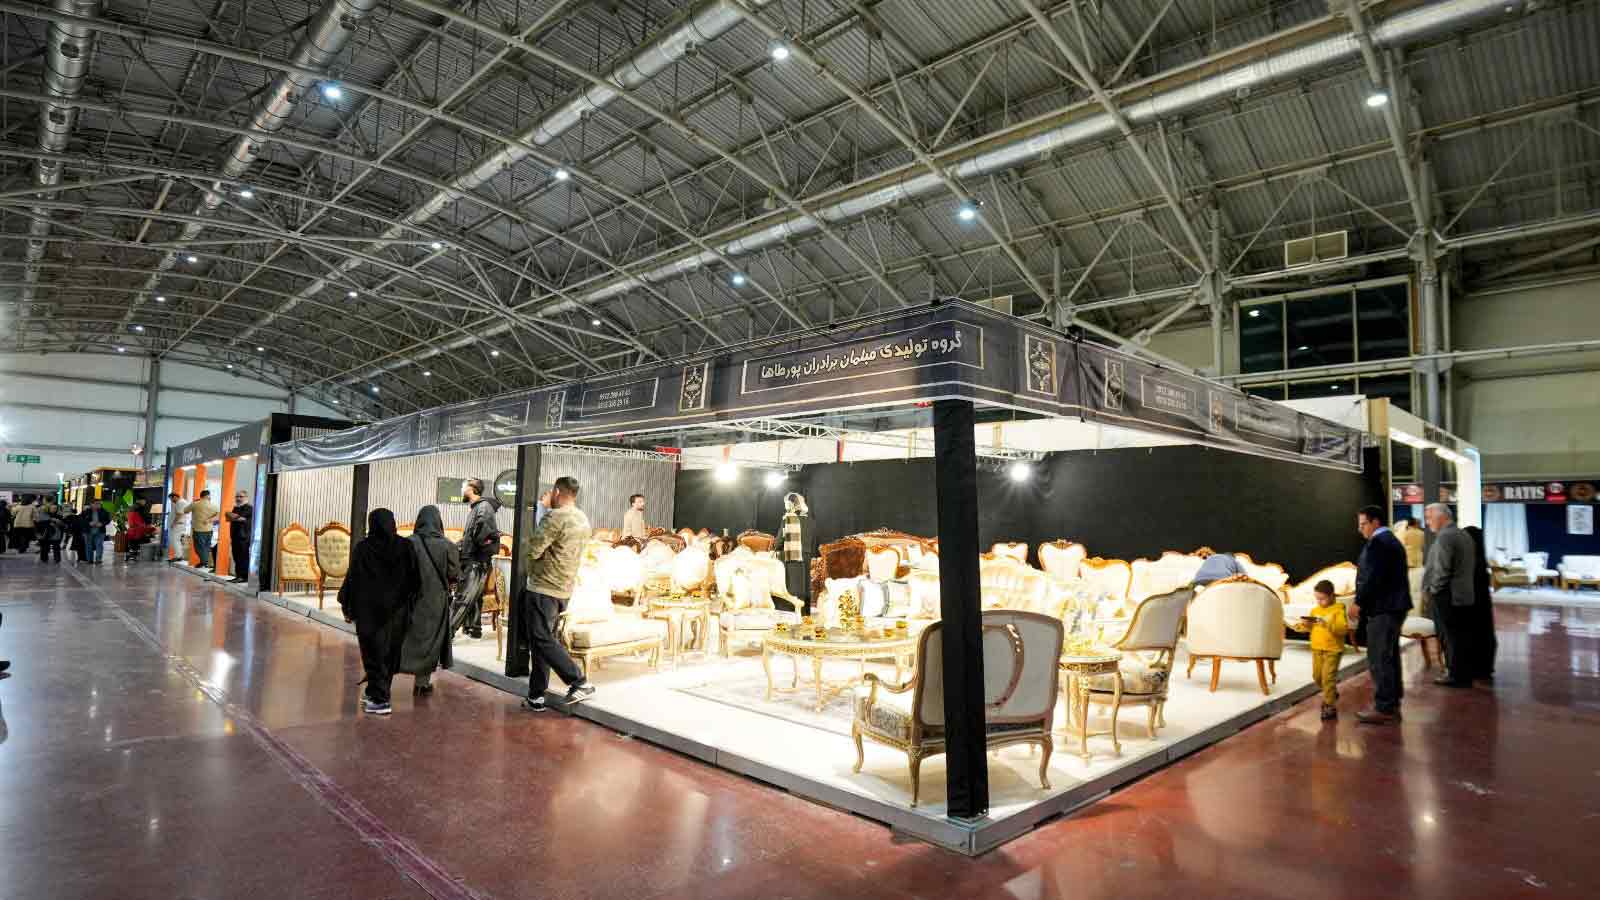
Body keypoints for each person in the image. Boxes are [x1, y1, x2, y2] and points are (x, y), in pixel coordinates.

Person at [521, 476, 594, 712]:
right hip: (564, 589)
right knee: (543, 641)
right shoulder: (582, 518)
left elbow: (533, 549)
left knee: (541, 638)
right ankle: (536, 695)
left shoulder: (555, 517)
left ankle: (579, 681)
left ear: (557, 492)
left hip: (543, 587)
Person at [337, 509, 420, 716]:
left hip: (370, 613)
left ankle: (381, 700)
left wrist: (347, 607)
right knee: (390, 655)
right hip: (398, 613)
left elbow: (353, 580)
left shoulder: (364, 548)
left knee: (373, 655)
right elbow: (416, 581)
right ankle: (377, 692)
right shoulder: (406, 546)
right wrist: (408, 605)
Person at [1353, 505, 1409, 725]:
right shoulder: (1391, 541)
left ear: (1375, 522)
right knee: (1389, 656)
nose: (1360, 529)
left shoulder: (1379, 543)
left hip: (1384, 608)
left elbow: (1372, 577)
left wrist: (1358, 602)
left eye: (1363, 524)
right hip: (1392, 607)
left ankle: (1385, 707)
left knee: (1379, 658)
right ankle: (1391, 703)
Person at [402, 505, 460, 695]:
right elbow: (454, 574)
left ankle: (391, 674)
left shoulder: (408, 543)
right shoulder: (448, 546)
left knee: (407, 637)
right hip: (436, 601)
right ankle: (422, 683)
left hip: (410, 600)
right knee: (431, 641)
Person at [1423, 502, 1477, 688]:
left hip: (1448, 596)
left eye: (1429, 517)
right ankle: (1462, 674)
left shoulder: (1445, 537)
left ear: (1442, 516)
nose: (1427, 521)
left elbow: (1442, 570)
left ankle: (1455, 675)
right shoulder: (1463, 535)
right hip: (1462, 596)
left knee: (1450, 637)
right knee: (1460, 637)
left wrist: (1433, 590)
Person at [452, 478, 502, 640]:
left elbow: (482, 535)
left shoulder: (483, 507)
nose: (461, 489)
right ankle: (473, 629)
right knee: (473, 595)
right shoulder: (477, 508)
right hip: (473, 559)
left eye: (464, 485)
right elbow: (472, 536)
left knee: (464, 597)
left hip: (477, 560)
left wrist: (471, 550)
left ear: (472, 488)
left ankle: (446, 633)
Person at [1291, 579, 1348, 720]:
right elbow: (1311, 627)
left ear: (1331, 596)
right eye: (1317, 598)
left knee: (1328, 678)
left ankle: (1329, 706)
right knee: (1317, 677)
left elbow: (1342, 629)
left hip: (1333, 650)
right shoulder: (1315, 610)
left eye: (1322, 599)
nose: (1319, 602)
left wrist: (1326, 623)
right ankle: (1331, 692)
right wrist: (1303, 625)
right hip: (1317, 648)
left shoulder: (1338, 610)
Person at [1464, 525, 1497, 683]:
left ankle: (1475, 668)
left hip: (1472, 606)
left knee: (1474, 635)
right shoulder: (1481, 561)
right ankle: (1484, 668)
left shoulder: (1471, 562)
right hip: (1482, 607)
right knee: (1485, 634)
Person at [224, 491, 254, 583]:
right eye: (237, 496)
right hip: (235, 536)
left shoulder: (249, 508)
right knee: (236, 557)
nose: (238, 498)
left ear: (246, 497)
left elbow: (240, 518)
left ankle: (243, 577)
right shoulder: (236, 508)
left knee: (243, 557)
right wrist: (233, 516)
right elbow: (229, 518)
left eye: (241, 496)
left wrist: (233, 516)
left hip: (243, 537)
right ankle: (238, 576)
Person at [189, 490, 218, 570]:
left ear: (201, 496)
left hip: (199, 530)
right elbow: (218, 516)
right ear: (208, 496)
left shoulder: (195, 504)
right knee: (206, 547)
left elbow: (185, 510)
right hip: (209, 529)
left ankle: (204, 562)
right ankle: (204, 562)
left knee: (198, 547)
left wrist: (193, 503)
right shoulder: (213, 505)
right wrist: (209, 520)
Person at [82, 499, 112, 565]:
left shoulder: (104, 511)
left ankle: (98, 559)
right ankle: (89, 560)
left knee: (99, 545)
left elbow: (108, 520)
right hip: (88, 531)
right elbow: (81, 520)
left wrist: (102, 523)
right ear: (91, 504)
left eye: (99, 504)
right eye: (96, 503)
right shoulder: (86, 511)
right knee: (88, 545)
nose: (98, 505)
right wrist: (89, 523)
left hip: (100, 531)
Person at [35, 500, 64, 564]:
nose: (54, 509)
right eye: (52, 508)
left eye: (55, 508)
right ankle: (44, 558)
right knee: (44, 546)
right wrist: (50, 521)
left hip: (56, 533)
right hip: (46, 533)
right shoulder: (45, 515)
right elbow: (39, 523)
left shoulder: (59, 516)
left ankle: (57, 559)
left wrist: (58, 522)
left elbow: (63, 525)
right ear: (49, 509)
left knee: (56, 546)